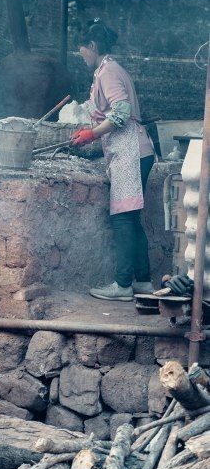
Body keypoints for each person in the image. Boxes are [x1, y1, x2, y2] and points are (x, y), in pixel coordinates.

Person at [70, 20, 156, 301]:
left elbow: (121, 112)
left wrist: (91, 134)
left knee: (122, 218)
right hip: (132, 150)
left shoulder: (108, 72)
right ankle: (143, 281)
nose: (80, 53)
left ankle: (122, 286)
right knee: (131, 218)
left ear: (92, 46)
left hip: (130, 150)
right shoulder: (107, 70)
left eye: (81, 48)